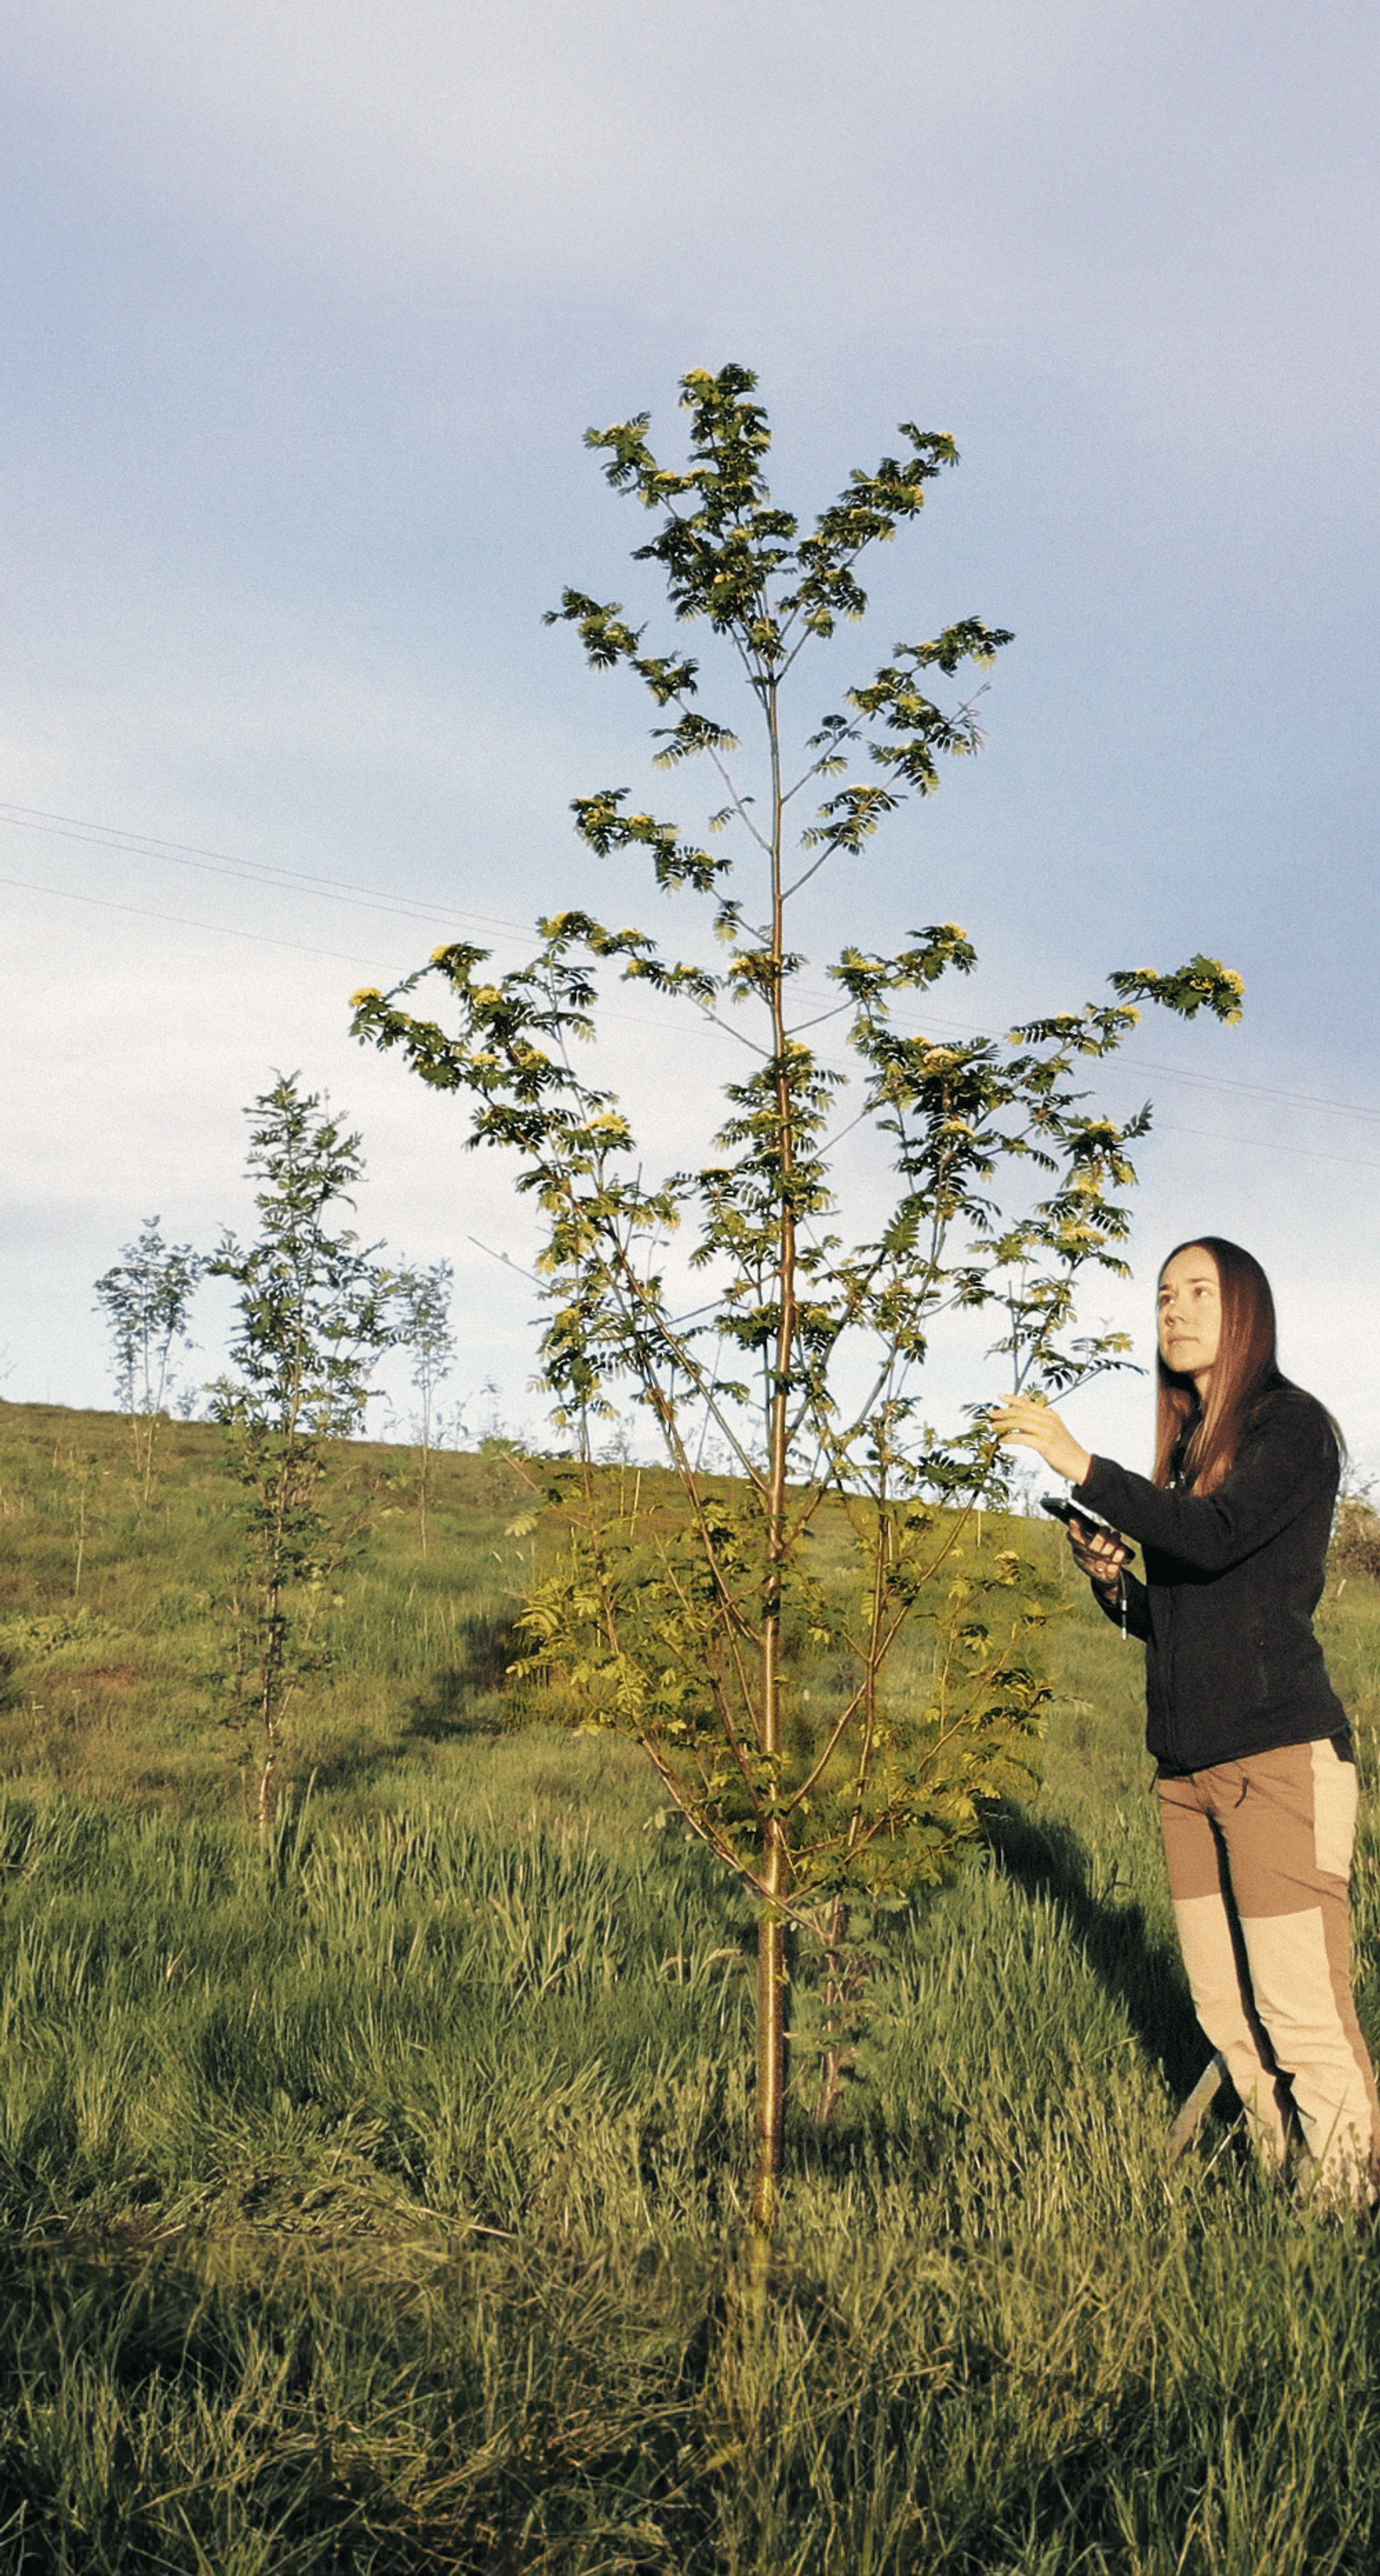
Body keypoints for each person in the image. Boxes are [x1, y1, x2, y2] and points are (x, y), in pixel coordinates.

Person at [992, 1237, 1379, 2199]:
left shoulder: (1292, 1427)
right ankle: (1282, 2184)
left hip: (1278, 1761)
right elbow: (1180, 1615)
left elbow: (1217, 1538)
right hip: (1188, 1775)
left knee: (1300, 2012)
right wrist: (1113, 1583)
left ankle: (1345, 2211)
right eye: (1165, 1295)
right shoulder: (1188, 1451)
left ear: (1245, 1307)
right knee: (1225, 2012)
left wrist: (1083, 1464)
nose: (1175, 1309)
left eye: (1199, 1291)